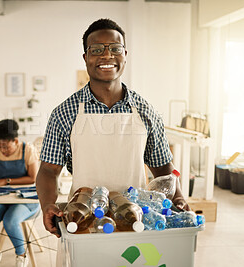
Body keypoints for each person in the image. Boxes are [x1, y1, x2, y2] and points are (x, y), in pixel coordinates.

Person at [36, 18, 190, 238]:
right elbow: (48, 171)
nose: (107, 55)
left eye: (115, 48)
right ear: (86, 57)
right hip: (82, 221)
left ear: (125, 55)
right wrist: (47, 205)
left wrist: (178, 198)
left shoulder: (146, 111)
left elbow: (163, 168)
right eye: (97, 49)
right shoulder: (64, 113)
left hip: (137, 220)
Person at [0, 119, 39, 267]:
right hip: (2, 197)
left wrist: (5, 181)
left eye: (6, 147)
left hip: (27, 198)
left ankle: (22, 255)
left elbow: (33, 178)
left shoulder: (28, 149)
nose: (2, 150)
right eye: (0, 146)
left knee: (10, 221)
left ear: (15, 141)